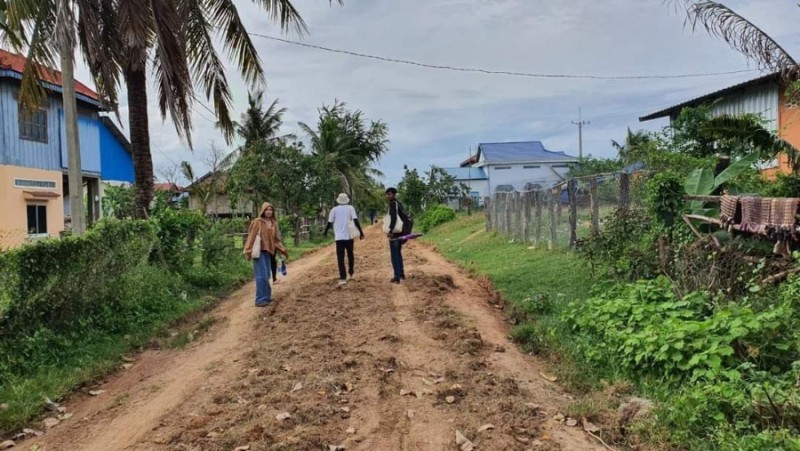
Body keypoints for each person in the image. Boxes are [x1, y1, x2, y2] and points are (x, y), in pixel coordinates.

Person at [244, 202, 289, 307]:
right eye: (266, 209)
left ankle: (266, 297)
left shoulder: (273, 223)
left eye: (270, 210)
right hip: (259, 251)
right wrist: (248, 250)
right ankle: (260, 300)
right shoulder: (257, 222)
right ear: (263, 211)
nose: (268, 212)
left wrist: (283, 250)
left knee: (267, 275)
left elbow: (276, 239)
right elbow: (251, 236)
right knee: (261, 276)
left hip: (269, 251)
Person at [324, 193, 365, 285]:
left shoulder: (334, 210)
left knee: (340, 258)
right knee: (350, 255)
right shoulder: (350, 208)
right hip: (349, 236)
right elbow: (356, 220)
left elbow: (329, 222)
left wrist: (325, 233)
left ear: (338, 200)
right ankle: (351, 273)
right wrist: (361, 233)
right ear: (347, 200)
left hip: (339, 237)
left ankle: (343, 278)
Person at [385, 187, 409, 284]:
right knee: (398, 253)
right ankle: (401, 274)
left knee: (394, 255)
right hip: (401, 232)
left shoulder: (393, 204)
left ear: (394, 194)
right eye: (387, 194)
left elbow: (394, 218)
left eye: (389, 194)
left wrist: (390, 230)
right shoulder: (398, 203)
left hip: (395, 233)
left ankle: (397, 277)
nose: (388, 196)